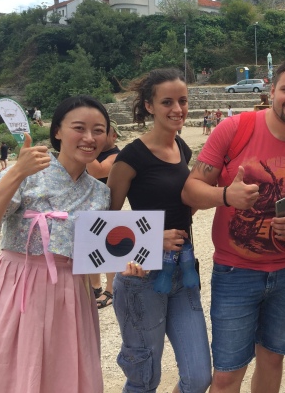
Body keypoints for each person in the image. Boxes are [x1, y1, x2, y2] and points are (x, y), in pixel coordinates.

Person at [182, 59, 285, 393]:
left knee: (272, 360)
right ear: (271, 91)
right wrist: (225, 195)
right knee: (226, 374)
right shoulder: (234, 129)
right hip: (236, 272)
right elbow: (190, 189)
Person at [0, 95, 112, 392]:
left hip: (73, 293)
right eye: (79, 128)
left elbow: (100, 253)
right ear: (57, 132)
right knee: (12, 371)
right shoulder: (27, 172)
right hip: (19, 286)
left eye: (98, 130)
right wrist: (15, 172)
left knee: (65, 373)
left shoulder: (100, 194)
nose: (89, 138)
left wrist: (136, 261)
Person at [107, 68, 211, 393]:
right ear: (150, 106)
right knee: (143, 380)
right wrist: (152, 239)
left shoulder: (184, 149)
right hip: (143, 278)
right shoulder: (130, 158)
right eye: (167, 101)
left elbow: (184, 204)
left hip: (184, 273)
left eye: (182, 100)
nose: (177, 109)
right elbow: (104, 226)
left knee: (198, 379)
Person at [86, 120, 122, 309]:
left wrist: (83, 150)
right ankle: (95, 286)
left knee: (109, 250)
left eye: (102, 132)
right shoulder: (95, 154)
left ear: (113, 136)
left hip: (109, 208)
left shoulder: (117, 156)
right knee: (91, 248)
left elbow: (98, 171)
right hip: (90, 208)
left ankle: (110, 288)